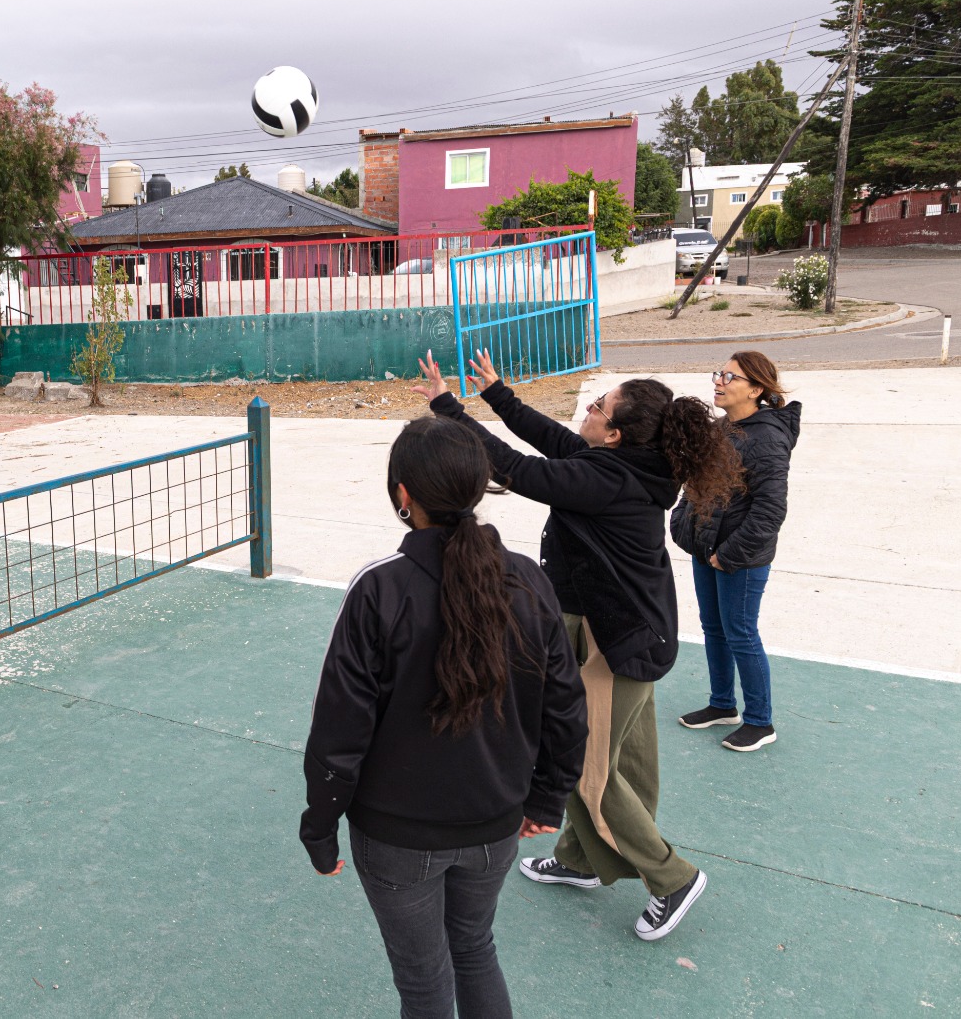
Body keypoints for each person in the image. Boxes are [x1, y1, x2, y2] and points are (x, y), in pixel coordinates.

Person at [414, 348, 742, 942]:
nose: (586, 411)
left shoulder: (606, 479)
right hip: (627, 632)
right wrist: (497, 395)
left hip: (615, 644)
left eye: (597, 407)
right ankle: (580, 857)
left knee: (585, 769)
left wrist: (446, 409)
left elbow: (518, 470)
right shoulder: (626, 462)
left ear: (614, 434)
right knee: (625, 763)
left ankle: (672, 878)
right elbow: (550, 440)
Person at [301, 416, 588, 1019]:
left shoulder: (379, 589)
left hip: (397, 835)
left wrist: (320, 826)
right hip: (495, 825)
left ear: (403, 494)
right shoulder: (528, 579)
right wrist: (547, 798)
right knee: (475, 948)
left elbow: (340, 728)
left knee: (423, 979)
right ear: (478, 487)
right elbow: (565, 705)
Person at [672, 351, 801, 753]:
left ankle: (760, 722)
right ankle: (722, 705)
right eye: (719, 373)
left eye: (730, 377)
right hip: (706, 547)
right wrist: (683, 524)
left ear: (756, 389)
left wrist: (728, 554)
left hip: (738, 558)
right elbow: (695, 484)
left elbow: (770, 509)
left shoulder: (767, 438)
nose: (719, 381)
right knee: (714, 629)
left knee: (741, 633)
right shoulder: (722, 428)